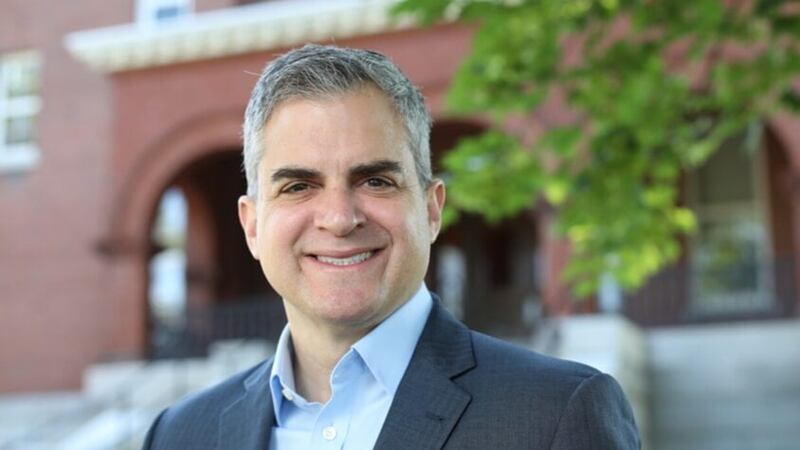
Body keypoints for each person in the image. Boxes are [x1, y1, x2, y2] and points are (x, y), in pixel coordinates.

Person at [142, 44, 640, 450]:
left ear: (431, 209)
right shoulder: (179, 436)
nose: (340, 219)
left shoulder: (556, 414)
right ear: (252, 226)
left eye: (375, 181)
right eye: (298, 186)